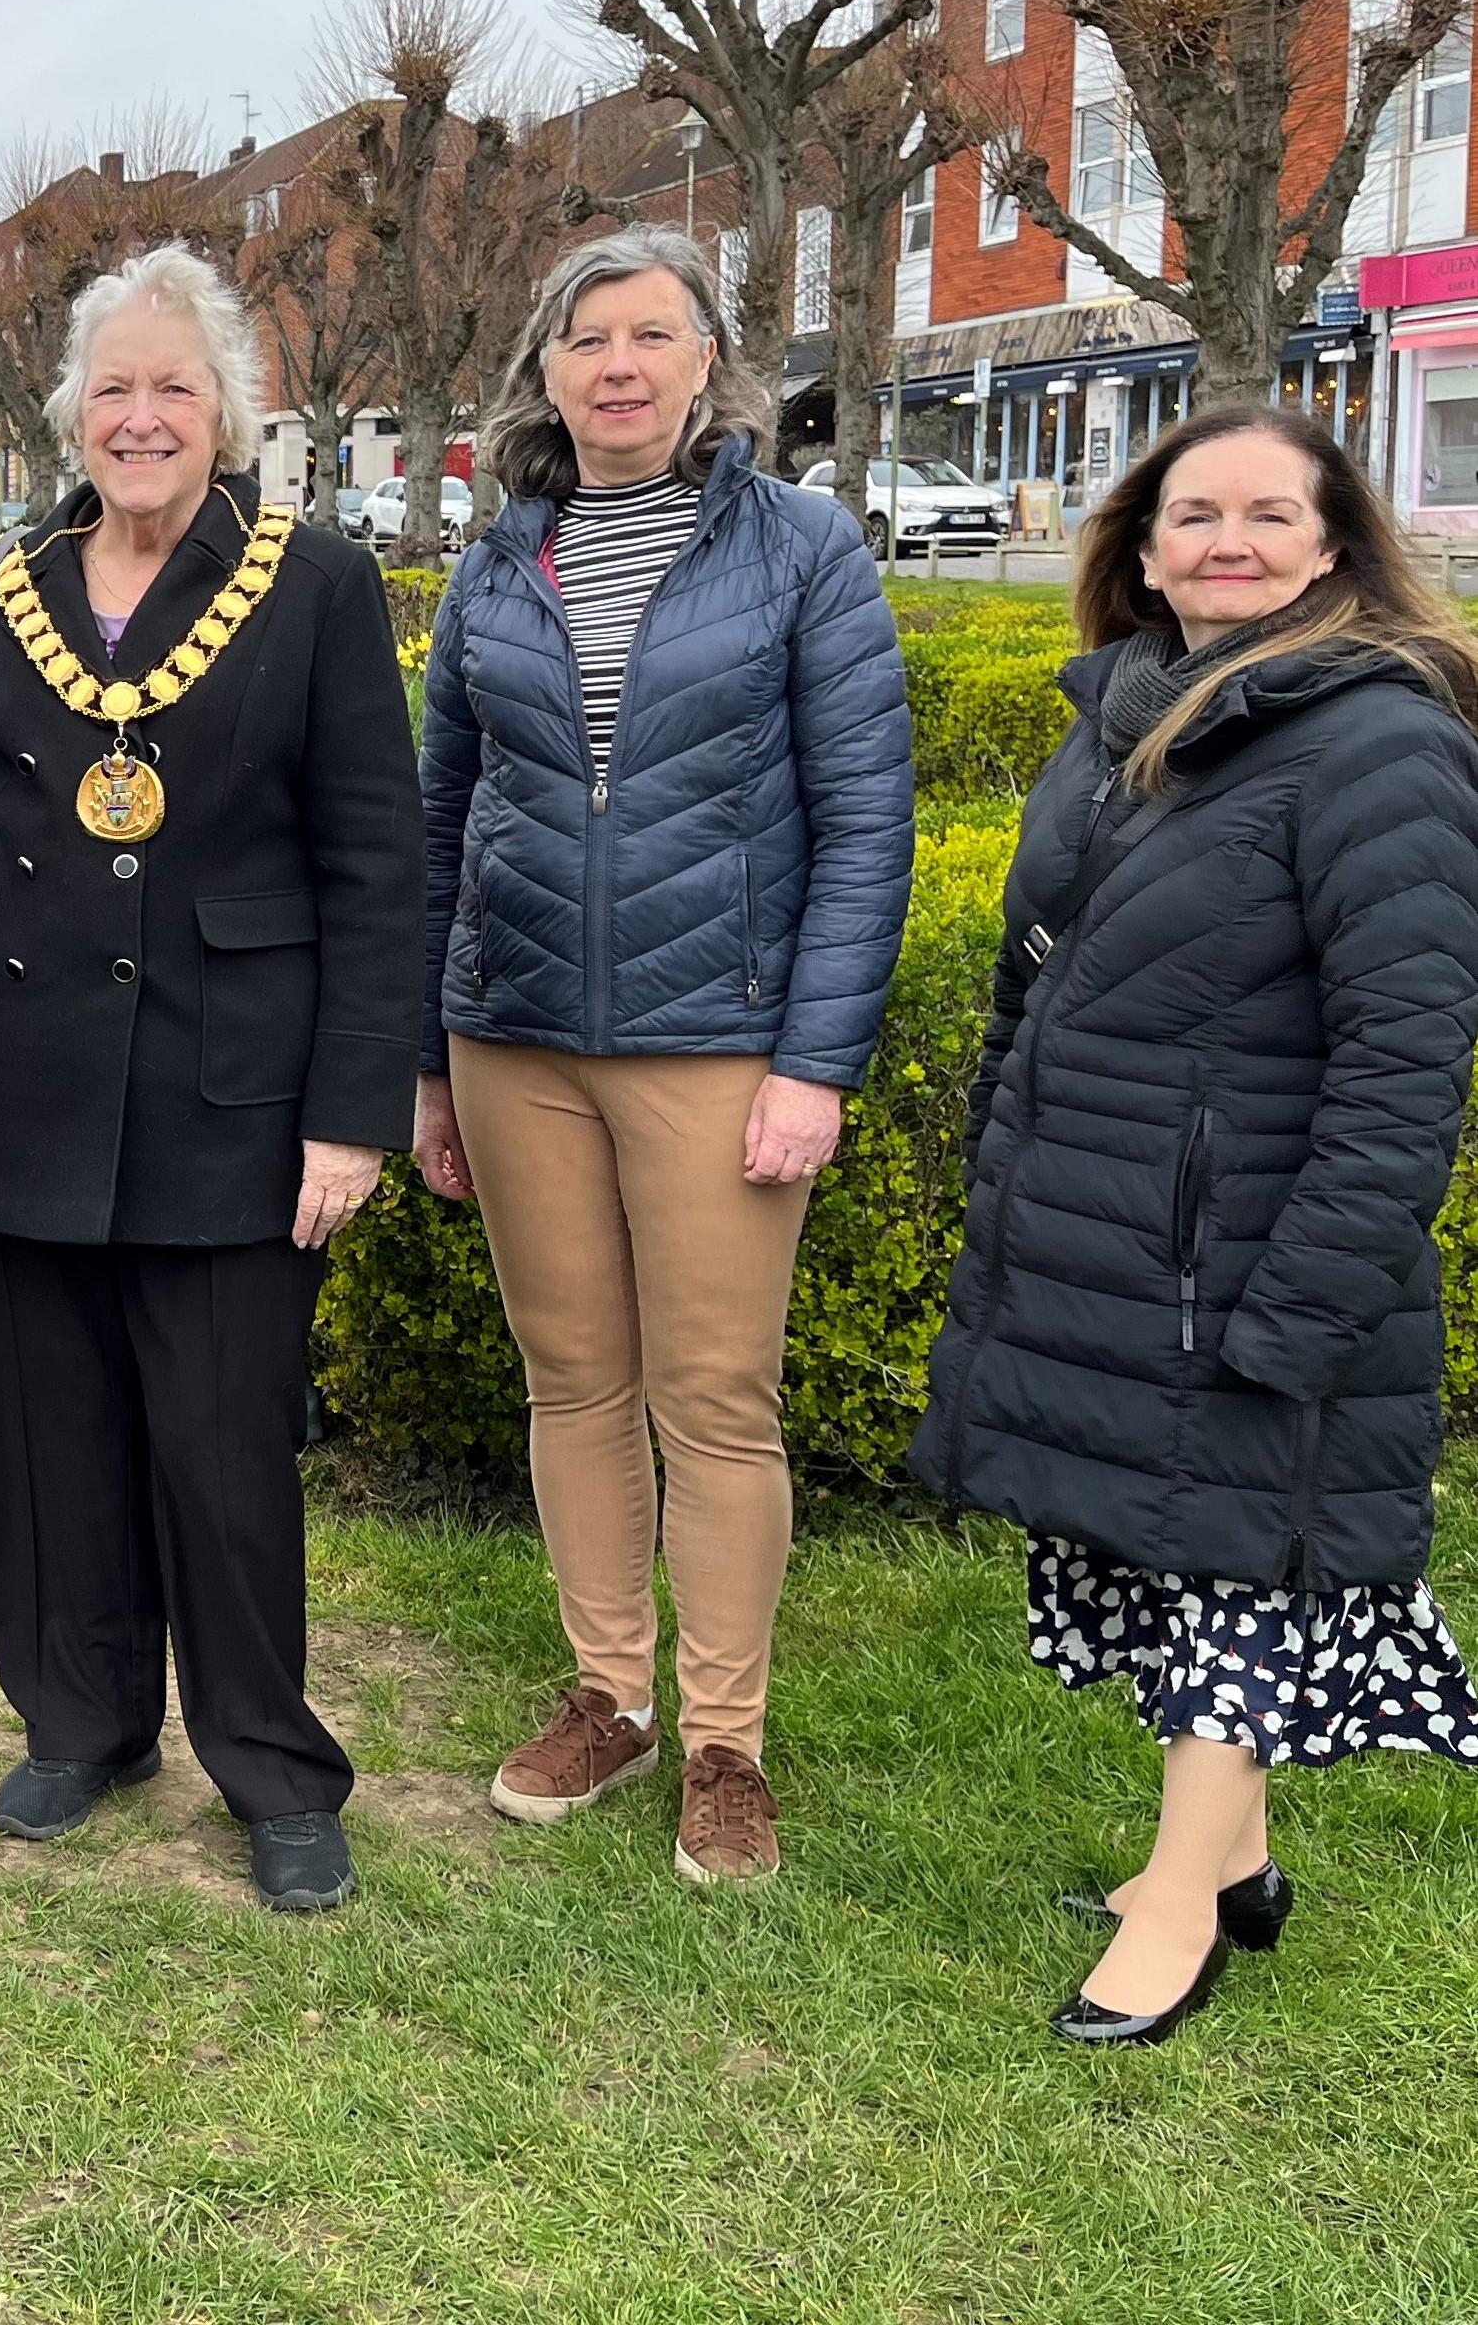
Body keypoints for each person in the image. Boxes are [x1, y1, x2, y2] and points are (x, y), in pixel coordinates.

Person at [914, 406, 1478, 2046]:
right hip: (1118, 1242)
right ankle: (1233, 1864)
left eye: (1266, 515)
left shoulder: (1381, 741)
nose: (1224, 541)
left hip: (1252, 1257)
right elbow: (1048, 974)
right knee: (1171, 1558)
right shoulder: (1132, 716)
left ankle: (1179, 1910)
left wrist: (1304, 1308)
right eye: (1190, 515)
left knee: (1233, 1570)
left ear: (1335, 545)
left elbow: (1408, 1059)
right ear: (1143, 549)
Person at [0, 247, 420, 1913]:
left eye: (172, 388)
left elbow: (376, 868)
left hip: (231, 1085)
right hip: (23, 1072)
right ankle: (84, 1717)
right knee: (46, 1434)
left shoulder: (317, 584)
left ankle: (270, 1763)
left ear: (230, 413)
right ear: (72, 414)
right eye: (111, 389)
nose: (139, 418)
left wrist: (354, 1109)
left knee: (222, 1444)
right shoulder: (5, 581)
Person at [412, 226, 912, 1885]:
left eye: (650, 334)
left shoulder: (802, 550)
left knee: (714, 1402)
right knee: (575, 1383)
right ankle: (610, 1694)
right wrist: (426, 1058)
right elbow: (437, 820)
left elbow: (865, 825)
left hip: (720, 1040)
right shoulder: (500, 563)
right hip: (518, 1034)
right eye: (585, 341)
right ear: (545, 374)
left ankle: (725, 1743)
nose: (617, 365)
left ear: (710, 362)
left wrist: (815, 1063)